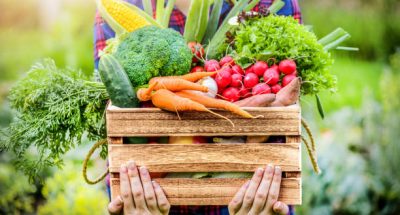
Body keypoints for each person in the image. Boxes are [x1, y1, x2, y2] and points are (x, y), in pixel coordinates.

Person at [94, 1, 302, 214]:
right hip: (150, 196)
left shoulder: (270, 3)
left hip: (248, 196)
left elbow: (283, 130)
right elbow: (117, 115)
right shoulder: (117, 7)